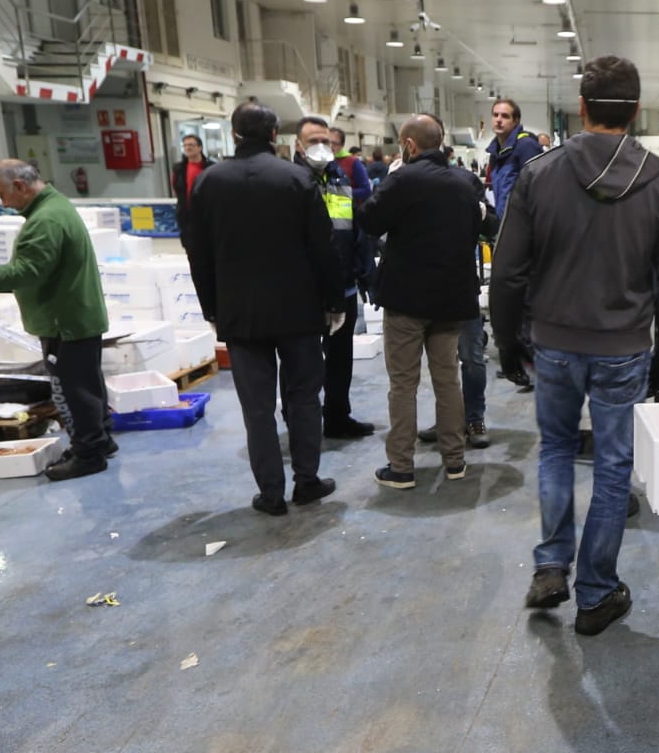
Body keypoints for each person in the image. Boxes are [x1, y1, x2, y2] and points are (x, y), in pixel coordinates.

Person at [491, 55, 659, 636]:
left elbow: (507, 274)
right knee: (612, 463)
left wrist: (508, 343)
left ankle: (552, 562)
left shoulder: (539, 174)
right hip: (624, 347)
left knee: (554, 448)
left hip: (551, 343)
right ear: (635, 110)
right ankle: (597, 592)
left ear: (581, 108)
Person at [183, 103, 342, 517]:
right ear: (275, 136)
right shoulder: (298, 178)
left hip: (240, 313)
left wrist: (211, 308)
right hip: (299, 310)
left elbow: (197, 254)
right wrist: (334, 301)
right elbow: (322, 247)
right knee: (304, 398)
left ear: (234, 134)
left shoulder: (208, 182)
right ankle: (307, 481)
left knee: (257, 409)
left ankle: (271, 493)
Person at [0, 160, 114, 481]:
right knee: (88, 385)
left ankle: (88, 454)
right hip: (76, 315)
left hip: (63, 321)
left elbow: (28, 271)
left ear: (20, 187)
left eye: (1, 195)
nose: (2, 203)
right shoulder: (54, 206)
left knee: (73, 390)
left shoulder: (45, 220)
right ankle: (100, 440)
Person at [358, 115, 489, 489]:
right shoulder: (466, 183)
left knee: (404, 384)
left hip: (407, 300)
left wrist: (390, 180)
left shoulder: (403, 180)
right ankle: (455, 461)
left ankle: (401, 466)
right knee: (448, 381)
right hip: (452, 300)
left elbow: (369, 221)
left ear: (409, 146)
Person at [293, 116, 376, 440]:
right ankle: (301, 423)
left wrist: (365, 270)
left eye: (326, 141)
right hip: (306, 288)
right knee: (302, 361)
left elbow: (353, 227)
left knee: (341, 358)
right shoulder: (293, 181)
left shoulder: (339, 176)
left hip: (342, 282)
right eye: (313, 140)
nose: (321, 147)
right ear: (298, 145)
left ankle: (338, 417)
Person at [487, 99, 544, 218]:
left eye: (505, 116)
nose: (498, 120)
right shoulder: (494, 153)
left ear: (516, 121)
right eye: (495, 115)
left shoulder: (526, 146)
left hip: (524, 227)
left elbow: (540, 192)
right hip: (504, 225)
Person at [170, 134, 212, 229]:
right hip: (186, 215)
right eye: (185, 145)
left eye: (191, 145)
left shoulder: (211, 167)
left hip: (207, 213)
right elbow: (176, 188)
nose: (187, 148)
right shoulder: (178, 169)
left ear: (199, 147)